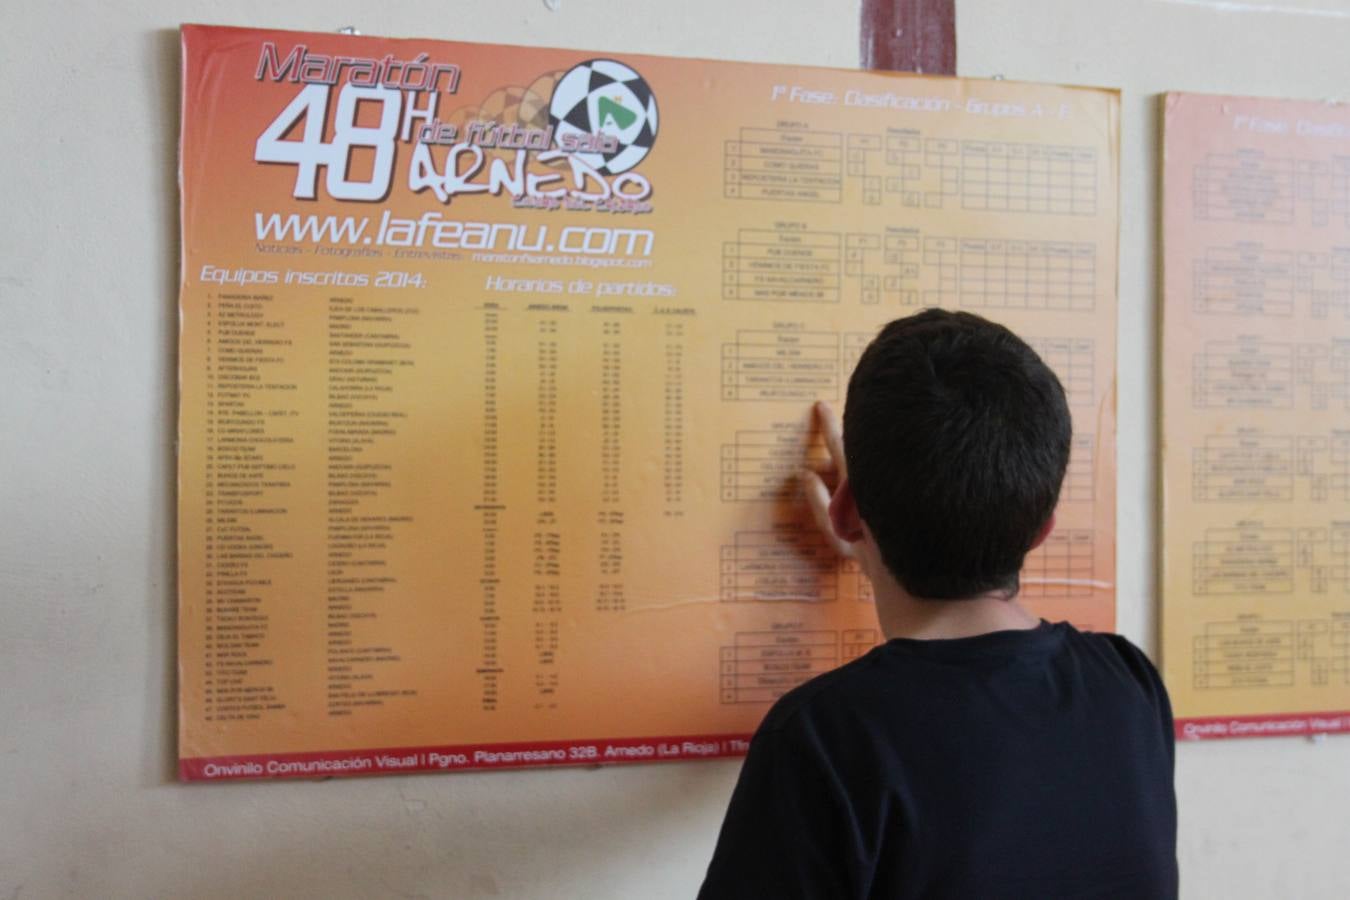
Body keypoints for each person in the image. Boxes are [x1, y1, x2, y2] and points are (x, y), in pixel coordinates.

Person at [698, 309, 1177, 899]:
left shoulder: (826, 736)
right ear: (1043, 528)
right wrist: (873, 539)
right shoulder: (1128, 685)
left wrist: (880, 532)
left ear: (845, 514)